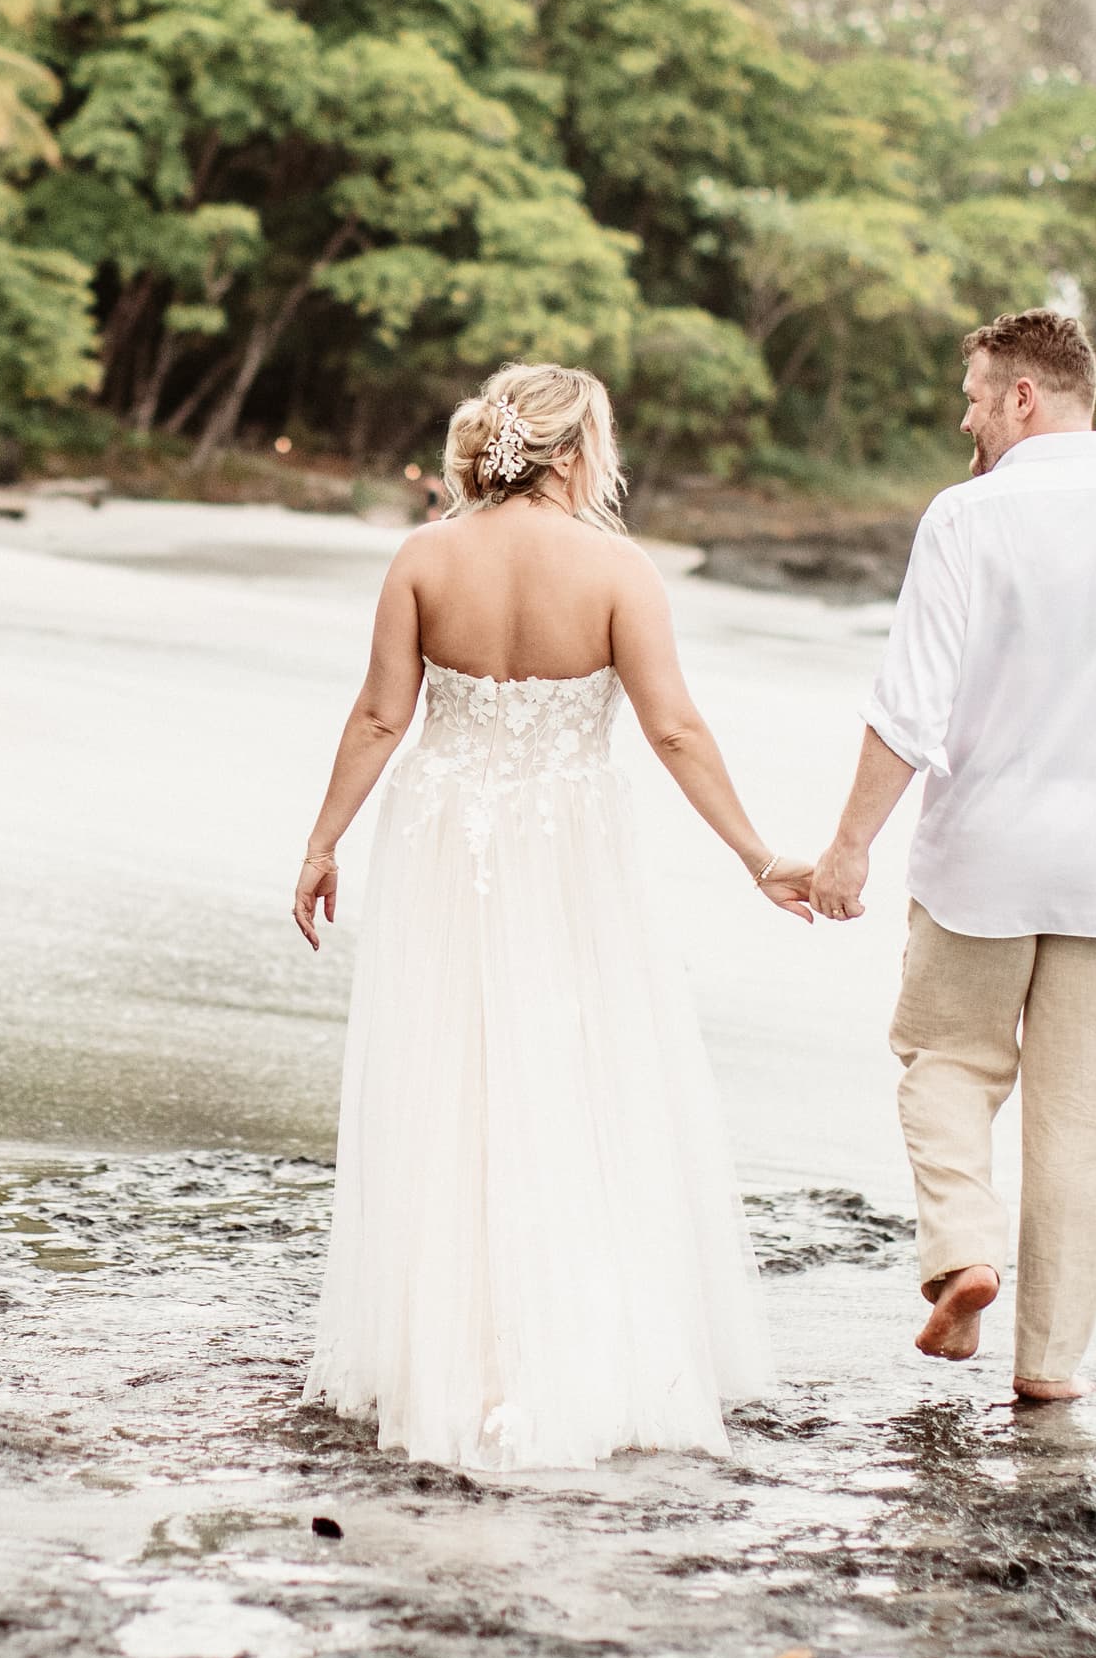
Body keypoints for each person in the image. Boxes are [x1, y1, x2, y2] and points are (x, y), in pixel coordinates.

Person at [292, 363, 814, 1471]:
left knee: (449, 1088)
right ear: (577, 451)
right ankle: (583, 1354)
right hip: (572, 852)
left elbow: (383, 714)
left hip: (444, 846)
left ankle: (451, 1362)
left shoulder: (425, 557)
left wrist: (322, 839)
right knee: (578, 1083)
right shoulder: (619, 570)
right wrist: (758, 853)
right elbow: (674, 730)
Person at [805, 309, 1096, 1404]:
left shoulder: (967, 518)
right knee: (1091, 1122)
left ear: (1025, 396)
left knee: (949, 1062)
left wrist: (848, 847)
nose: (964, 415)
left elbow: (907, 709)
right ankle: (1050, 1368)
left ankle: (965, 1250)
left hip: (983, 865)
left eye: (974, 394)